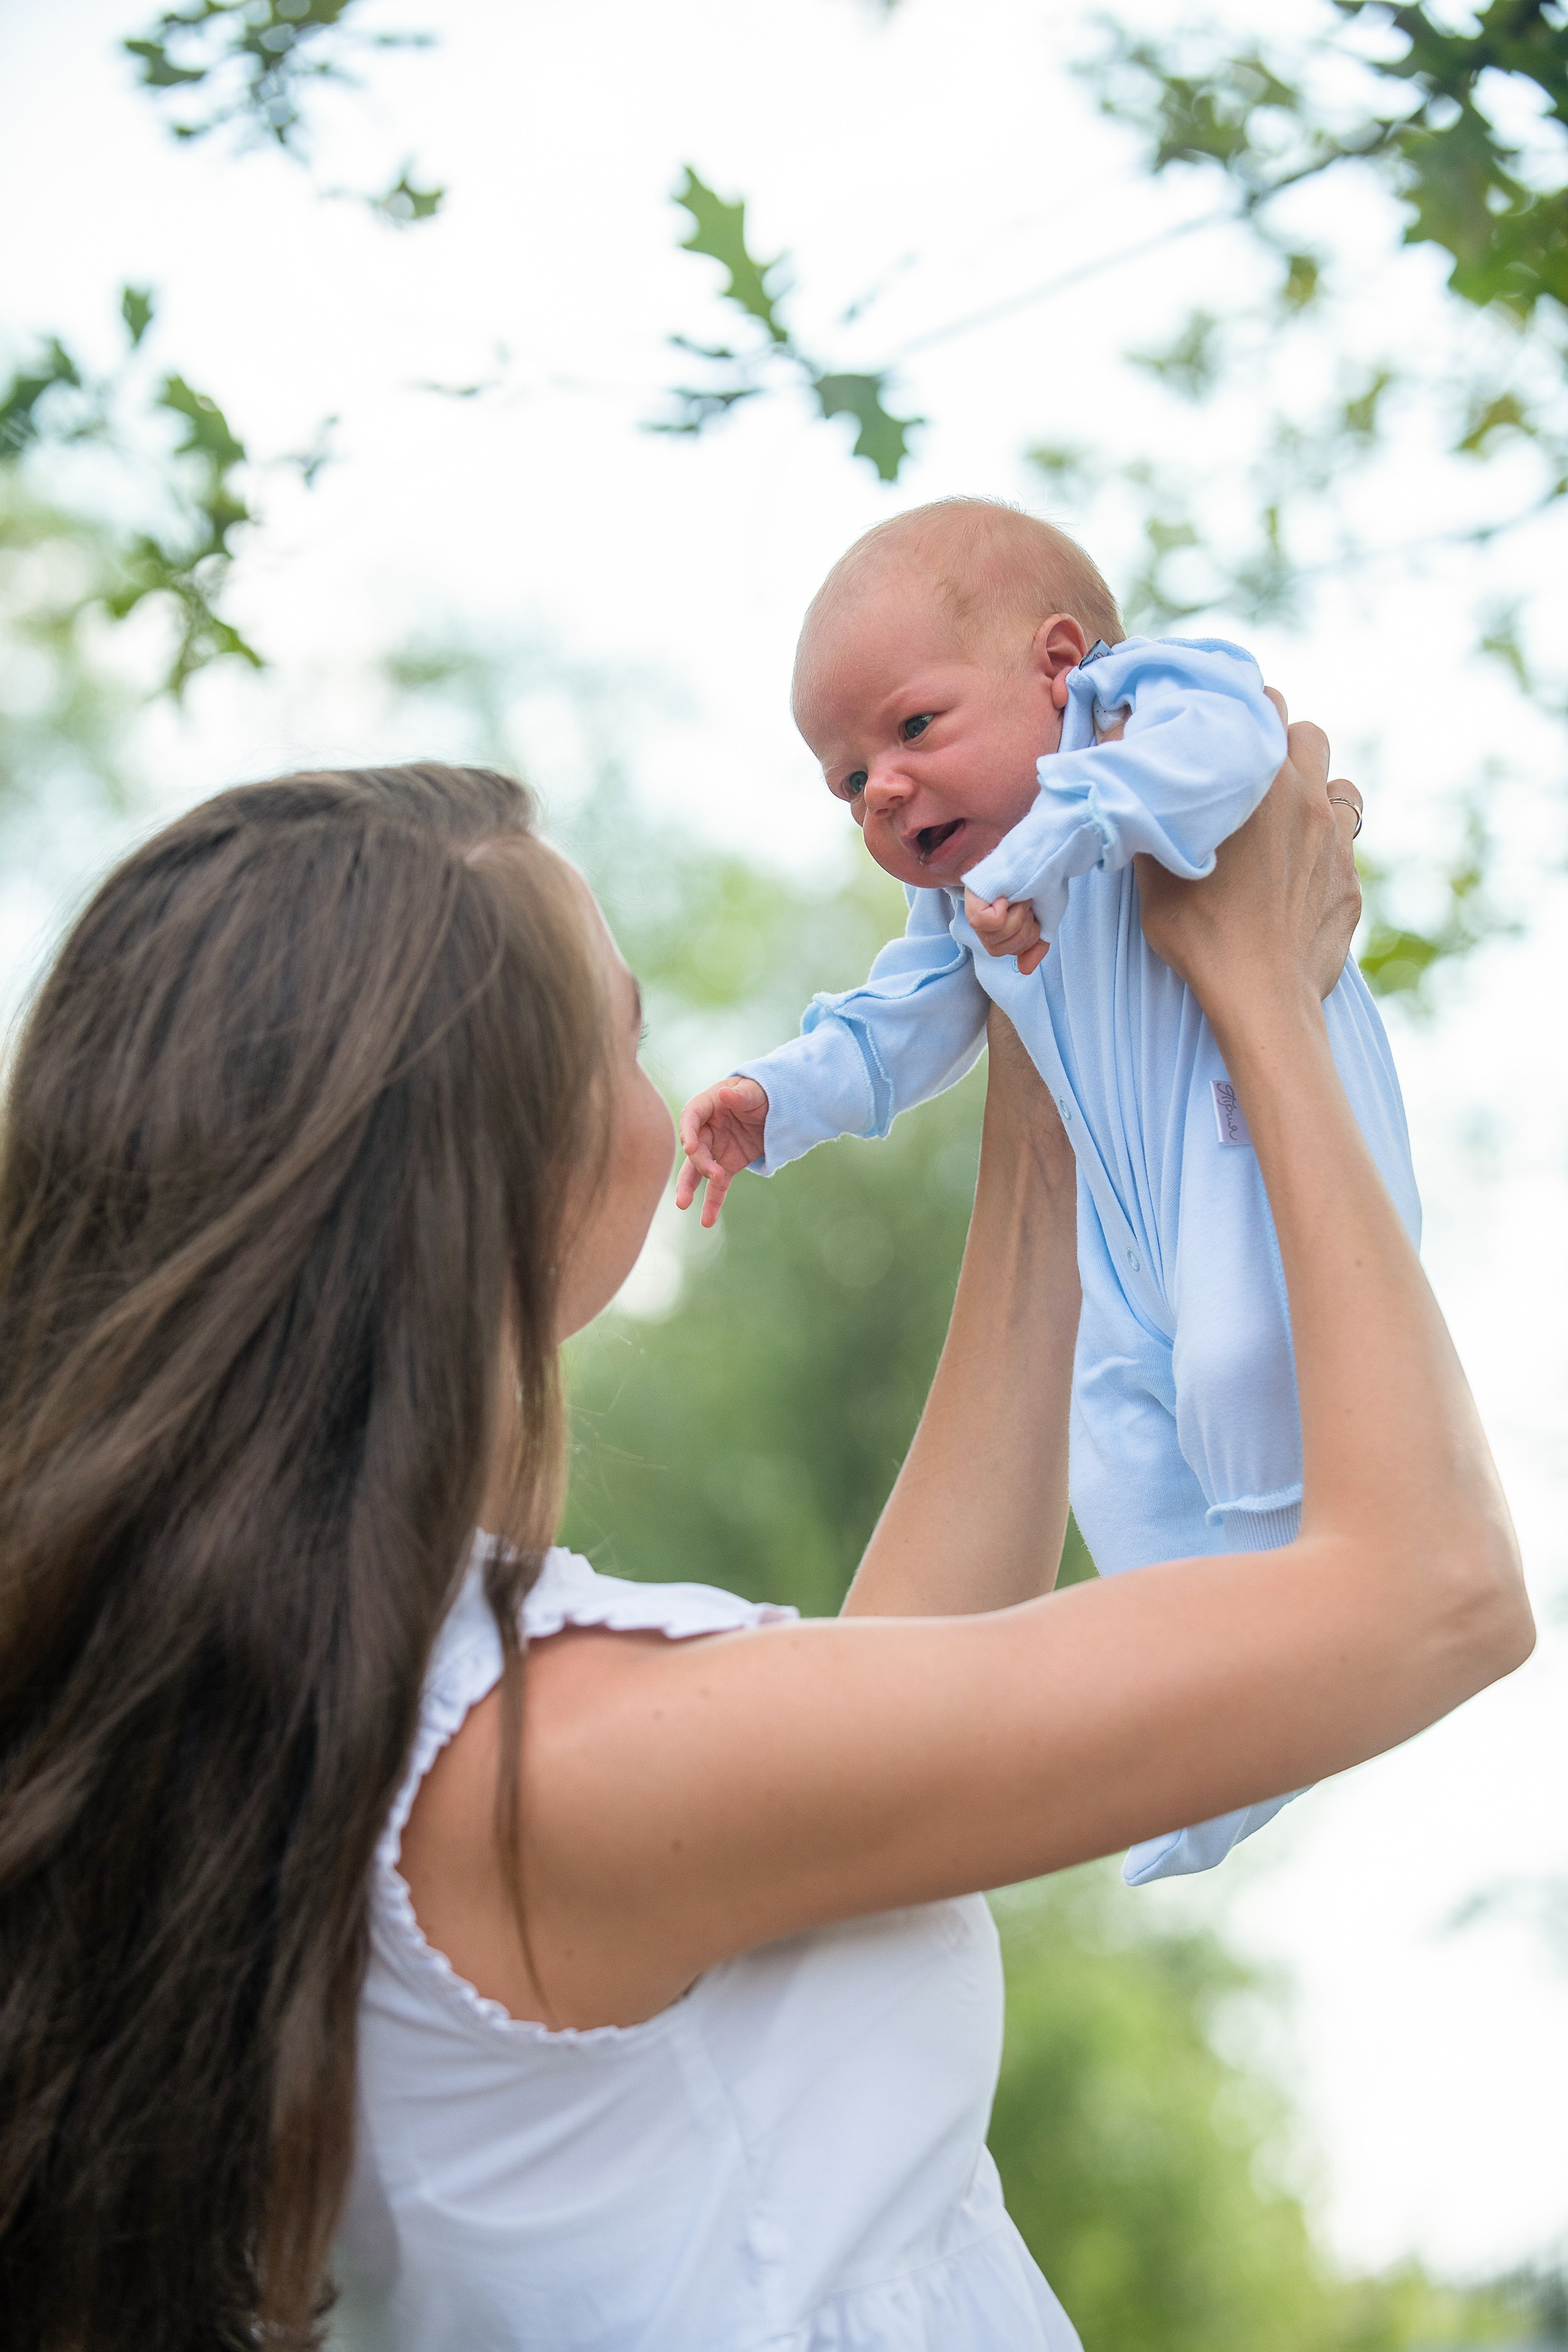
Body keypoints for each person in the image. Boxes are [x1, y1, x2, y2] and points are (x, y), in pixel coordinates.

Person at [0, 746, 1528, 2352]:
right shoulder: (546, 1768)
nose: (661, 1099)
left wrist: (1058, 1031)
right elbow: (1434, 1594)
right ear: (504, 1163)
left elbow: (883, 1700)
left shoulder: (358, 1712)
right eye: (627, 1038)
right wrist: (1262, 998)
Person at [676, 499, 1422, 1883]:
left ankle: (1311, 1613)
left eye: (907, 731)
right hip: (1117, 1228)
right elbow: (896, 1026)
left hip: (1237, 1147)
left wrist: (1051, 839)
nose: (882, 792)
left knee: (1241, 1353)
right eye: (845, 783)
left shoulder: (1141, 718)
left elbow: (1237, 749)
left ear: (1059, 665)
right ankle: (1197, 1751)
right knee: (1115, 1434)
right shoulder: (960, 905)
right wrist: (774, 1100)